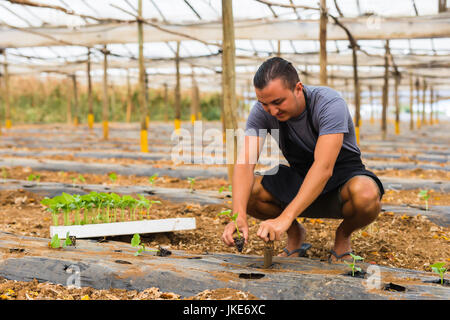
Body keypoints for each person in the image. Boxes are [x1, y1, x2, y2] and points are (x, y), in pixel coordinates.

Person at [221, 57, 384, 262]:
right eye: (265, 104)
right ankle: (296, 234)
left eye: (278, 102)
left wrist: (284, 218)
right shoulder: (260, 113)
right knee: (249, 192)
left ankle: (343, 235)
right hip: (300, 176)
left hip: (342, 179)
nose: (272, 111)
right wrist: (238, 217)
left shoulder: (329, 103)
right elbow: (245, 163)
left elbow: (324, 167)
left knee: (366, 194)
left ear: (298, 88)